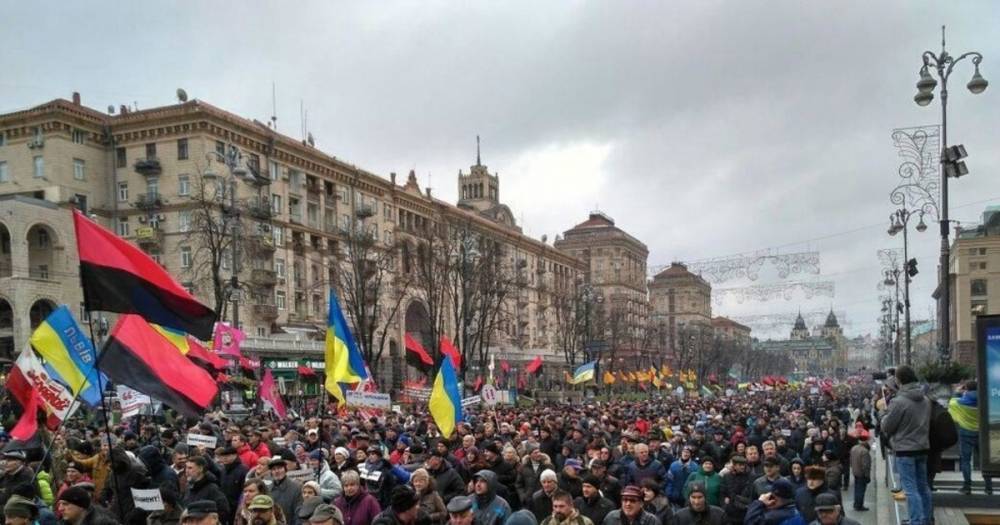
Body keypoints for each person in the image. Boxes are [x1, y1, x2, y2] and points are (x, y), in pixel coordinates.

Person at [880, 365, 933, 525]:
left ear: (899, 380)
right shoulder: (925, 399)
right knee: (923, 486)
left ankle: (915, 521)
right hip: (923, 447)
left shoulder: (899, 401)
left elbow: (887, 427)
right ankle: (926, 519)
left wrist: (883, 414)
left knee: (910, 489)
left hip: (905, 449)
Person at [949, 380, 994, 495]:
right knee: (985, 461)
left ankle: (967, 486)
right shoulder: (985, 401)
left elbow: (951, 403)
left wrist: (958, 392)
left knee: (965, 461)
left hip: (966, 433)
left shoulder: (959, 403)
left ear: (966, 389)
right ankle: (988, 488)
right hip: (981, 434)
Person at [184, 456, 231, 524]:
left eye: (190, 468)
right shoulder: (189, 487)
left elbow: (224, 511)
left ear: (200, 469)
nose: (186, 471)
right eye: (186, 467)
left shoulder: (212, 489)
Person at [268, 458, 302, 524]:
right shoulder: (268, 489)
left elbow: (298, 513)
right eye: (274, 469)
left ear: (285, 470)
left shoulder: (296, 488)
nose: (277, 471)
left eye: (279, 468)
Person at [0, 450, 35, 516]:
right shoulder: (5, 475)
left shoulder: (25, 477)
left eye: (9, 460)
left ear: (19, 462)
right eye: (5, 460)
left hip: (15, 514)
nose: (5, 463)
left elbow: (17, 502)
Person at [848, 432, 870, 512]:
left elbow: (851, 460)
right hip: (862, 474)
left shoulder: (854, 448)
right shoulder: (864, 451)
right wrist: (867, 476)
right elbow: (866, 466)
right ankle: (859, 505)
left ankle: (856, 504)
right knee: (861, 490)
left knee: (857, 489)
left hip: (855, 472)